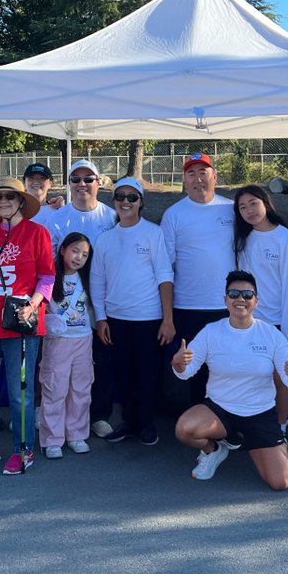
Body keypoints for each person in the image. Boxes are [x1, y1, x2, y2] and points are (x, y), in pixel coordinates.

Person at [172, 271, 288, 490]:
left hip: (260, 413)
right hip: (220, 409)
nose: (240, 299)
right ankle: (213, 451)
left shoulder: (271, 334)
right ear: (225, 299)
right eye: (234, 293)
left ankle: (265, 440)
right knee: (184, 429)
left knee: (280, 482)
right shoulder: (211, 332)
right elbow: (186, 371)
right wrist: (178, 363)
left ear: (256, 300)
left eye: (247, 294)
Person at [0, 177, 55, 475]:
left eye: (9, 197)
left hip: (21, 323)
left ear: (20, 202)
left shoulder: (37, 233)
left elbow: (47, 276)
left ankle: (23, 449)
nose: (3, 201)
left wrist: (33, 304)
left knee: (20, 392)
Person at [90, 177, 174, 445]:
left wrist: (168, 320)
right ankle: (128, 422)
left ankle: (145, 424)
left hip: (149, 319)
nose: (126, 202)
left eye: (132, 197)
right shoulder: (105, 239)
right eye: (120, 197)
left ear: (140, 202)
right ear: (114, 201)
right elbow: (97, 280)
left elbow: (164, 277)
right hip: (115, 320)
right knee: (123, 375)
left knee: (147, 374)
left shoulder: (153, 233)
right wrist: (101, 318)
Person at [44, 158, 118, 433]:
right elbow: (48, 262)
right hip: (64, 305)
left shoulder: (111, 217)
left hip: (103, 302)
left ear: (99, 183)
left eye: (88, 179)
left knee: (100, 362)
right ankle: (55, 417)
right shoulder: (56, 218)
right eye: (76, 179)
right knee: (59, 366)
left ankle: (98, 416)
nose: (82, 184)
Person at [160, 153, 235, 407]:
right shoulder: (173, 214)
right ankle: (201, 430)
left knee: (225, 369)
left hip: (227, 306)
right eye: (191, 173)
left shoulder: (231, 209)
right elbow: (165, 269)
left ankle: (227, 425)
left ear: (214, 176)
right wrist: (168, 317)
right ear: (184, 180)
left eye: (203, 172)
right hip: (188, 307)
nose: (197, 179)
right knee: (194, 370)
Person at [232, 184, 288, 428]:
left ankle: (279, 428)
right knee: (250, 378)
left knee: (279, 379)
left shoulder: (284, 237)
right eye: (242, 207)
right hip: (247, 322)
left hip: (277, 324)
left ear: (265, 203)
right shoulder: (243, 239)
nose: (249, 210)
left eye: (253, 203)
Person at [38, 232, 95, 458]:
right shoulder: (49, 277)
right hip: (58, 342)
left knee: (81, 389)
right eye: (74, 251)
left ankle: (77, 434)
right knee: (54, 389)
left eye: (84, 254)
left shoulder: (88, 278)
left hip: (84, 339)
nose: (78, 257)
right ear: (62, 250)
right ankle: (51, 439)